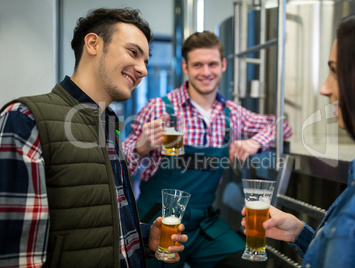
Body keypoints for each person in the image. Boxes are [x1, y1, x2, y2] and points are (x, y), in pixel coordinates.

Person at [0, 8, 188, 268]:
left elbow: (95, 217)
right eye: (133, 53)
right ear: (93, 44)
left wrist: (145, 237)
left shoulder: (109, 125)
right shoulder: (26, 117)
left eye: (146, 60)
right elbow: (20, 256)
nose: (143, 70)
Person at [241, 3, 355, 268]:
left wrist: (254, 141)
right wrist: (299, 233)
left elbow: (281, 126)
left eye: (336, 71)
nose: (323, 87)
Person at [122, 30, 292, 268]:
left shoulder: (233, 114)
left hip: (204, 226)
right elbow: (117, 168)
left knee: (249, 264)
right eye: (197, 64)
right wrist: (141, 148)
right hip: (158, 223)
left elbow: (282, 127)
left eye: (212, 64)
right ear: (185, 67)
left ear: (223, 65)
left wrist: (255, 142)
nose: (205, 72)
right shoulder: (158, 108)